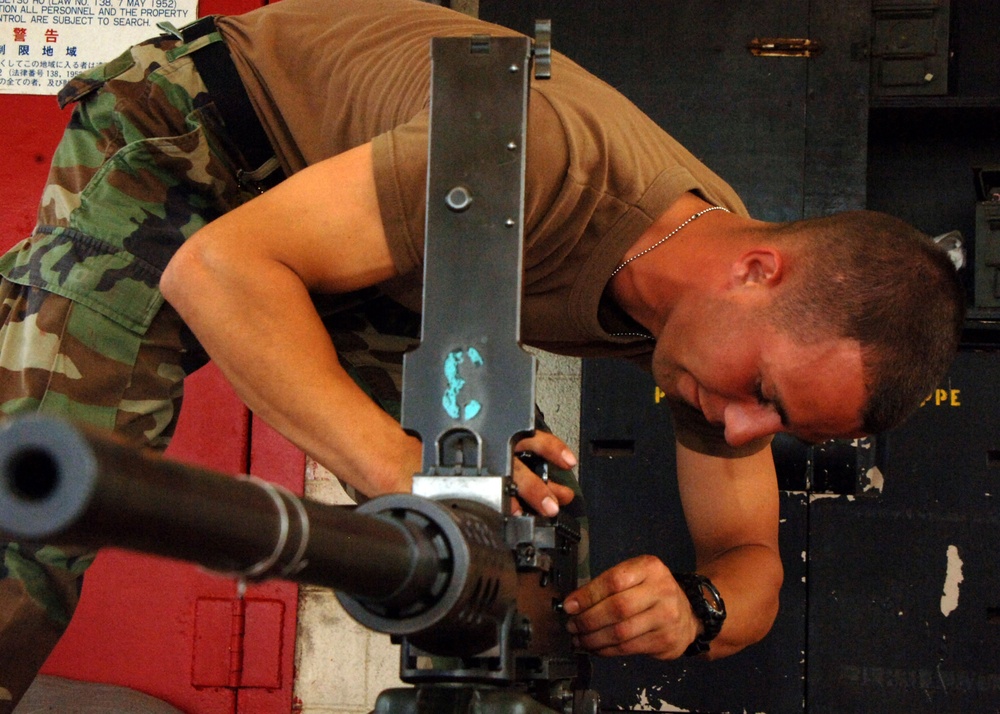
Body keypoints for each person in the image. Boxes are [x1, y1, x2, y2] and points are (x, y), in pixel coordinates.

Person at [0, 0, 965, 707]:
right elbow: (219, 271)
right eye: (762, 393)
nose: (741, 426)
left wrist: (698, 611)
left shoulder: (717, 333)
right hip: (204, 139)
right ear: (758, 269)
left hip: (388, 254)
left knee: (513, 541)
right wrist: (400, 478)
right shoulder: (551, 166)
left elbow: (751, 561)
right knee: (38, 510)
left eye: (779, 422)